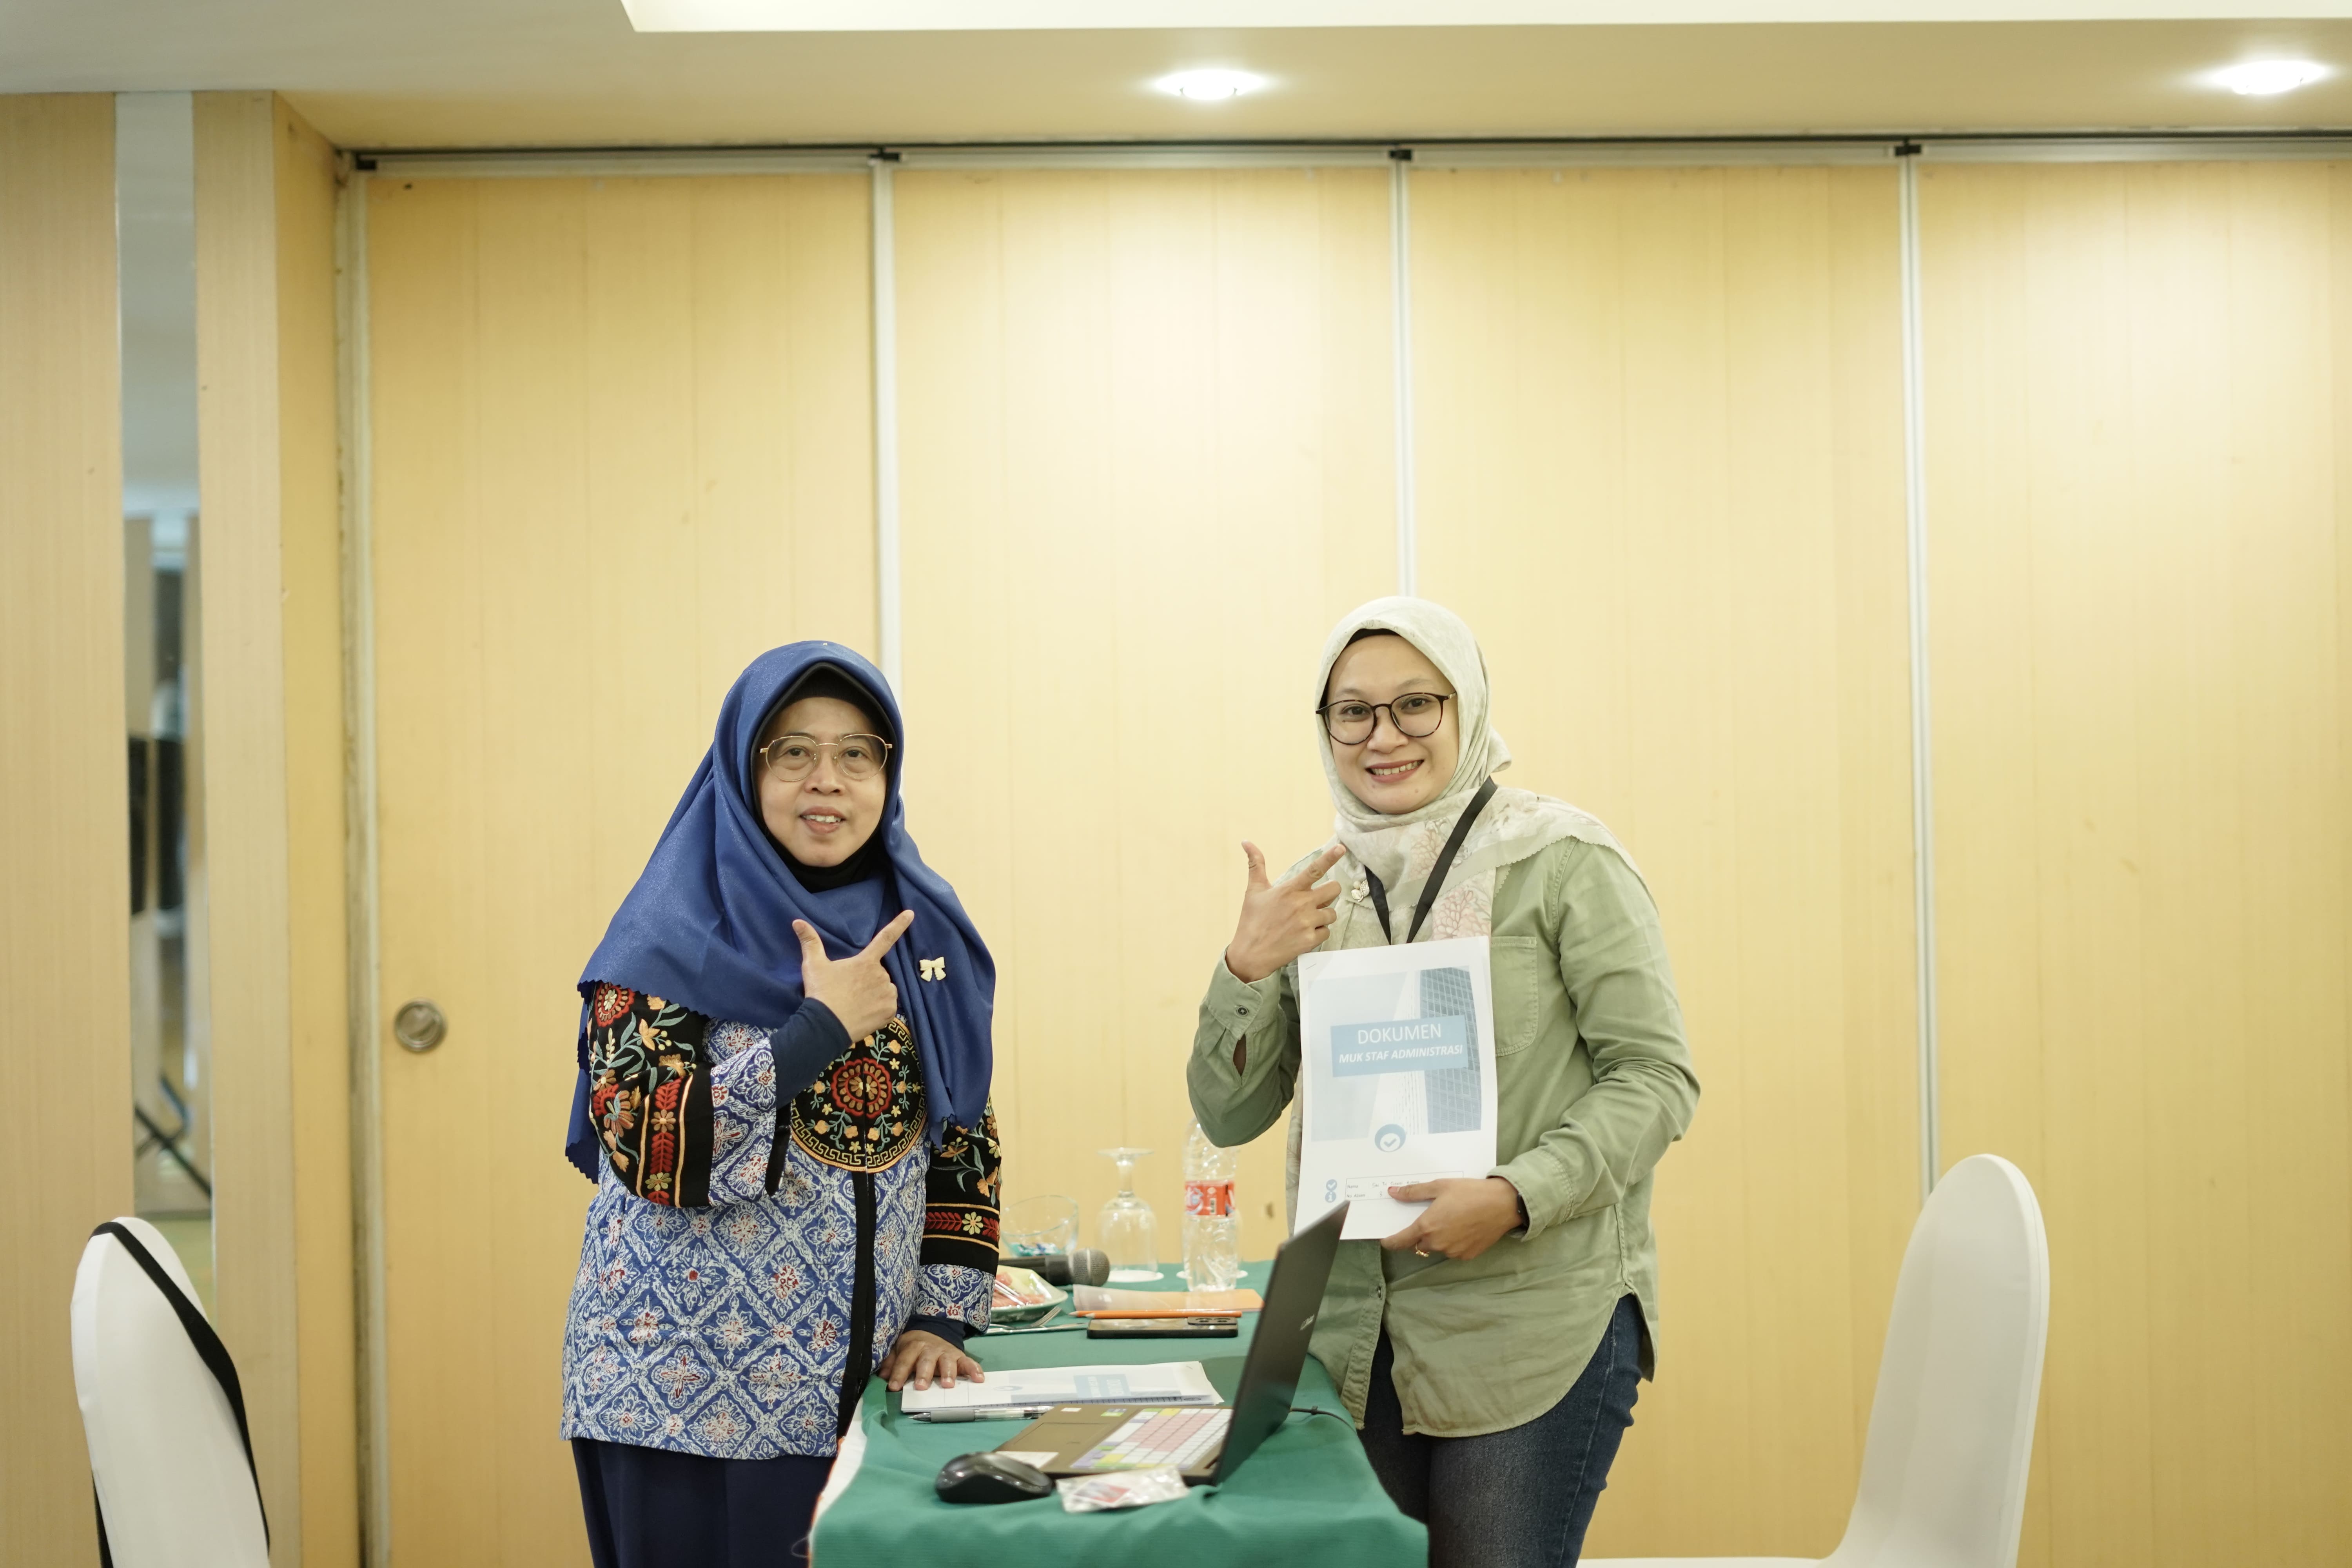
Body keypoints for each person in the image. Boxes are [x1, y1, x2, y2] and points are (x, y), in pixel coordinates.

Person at [1188, 598, 1700, 1568]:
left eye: (1416, 704)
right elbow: (1228, 1111)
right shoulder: (1314, 891)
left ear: (1466, 704)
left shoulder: (1563, 859)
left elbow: (1655, 1076)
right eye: (1353, 711)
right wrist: (1245, 966)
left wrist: (1516, 1193)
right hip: (1353, 1331)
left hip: (1528, 1321)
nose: (1384, 736)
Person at [560, 642, 1002, 1568]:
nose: (826, 780)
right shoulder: (667, 933)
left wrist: (942, 1316)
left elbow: (964, 1134)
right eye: (793, 751)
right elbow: (644, 1144)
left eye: (857, 753)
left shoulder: (921, 929)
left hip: (871, 1395)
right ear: (744, 767)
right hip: (682, 1400)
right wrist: (815, 1032)